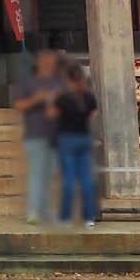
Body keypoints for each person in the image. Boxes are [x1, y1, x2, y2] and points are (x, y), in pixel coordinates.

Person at [11, 48, 65, 225]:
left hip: (56, 135)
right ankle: (33, 211)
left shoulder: (60, 84)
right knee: (37, 174)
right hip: (35, 134)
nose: (49, 65)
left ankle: (46, 210)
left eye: (52, 62)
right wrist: (37, 99)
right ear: (39, 63)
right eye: (45, 62)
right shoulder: (29, 84)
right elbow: (19, 105)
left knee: (50, 174)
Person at [51, 64, 101, 228]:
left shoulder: (63, 98)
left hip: (67, 139)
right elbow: (92, 117)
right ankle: (89, 217)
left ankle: (66, 217)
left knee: (69, 180)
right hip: (84, 138)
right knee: (87, 180)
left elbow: (52, 115)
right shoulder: (89, 97)